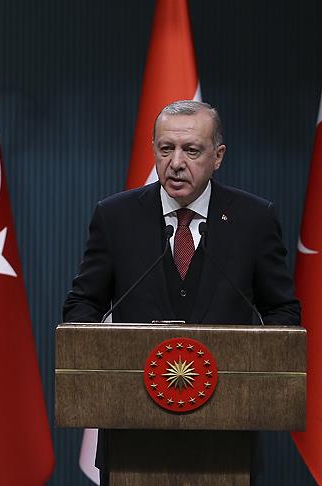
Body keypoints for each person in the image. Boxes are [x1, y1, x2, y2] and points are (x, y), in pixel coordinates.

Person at [63, 100, 301, 484]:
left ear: (217, 156)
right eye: (166, 148)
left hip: (225, 438)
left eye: (191, 150)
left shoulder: (253, 219)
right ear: (153, 150)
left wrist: (257, 367)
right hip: (132, 435)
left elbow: (282, 311)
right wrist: (96, 358)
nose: (176, 162)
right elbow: (84, 303)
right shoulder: (116, 216)